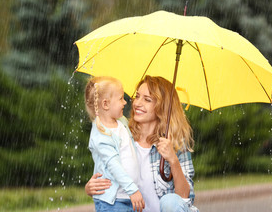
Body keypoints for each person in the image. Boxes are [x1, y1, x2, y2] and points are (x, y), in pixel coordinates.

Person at [85, 76, 199, 212]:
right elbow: (108, 166)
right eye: (137, 96)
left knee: (170, 201)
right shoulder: (122, 134)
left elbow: (185, 197)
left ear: (162, 106)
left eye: (147, 100)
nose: (137, 103)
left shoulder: (174, 143)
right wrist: (90, 188)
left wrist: (173, 159)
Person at [84, 76, 145, 212]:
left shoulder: (121, 121)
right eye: (121, 98)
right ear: (105, 104)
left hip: (127, 197)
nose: (125, 102)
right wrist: (132, 190)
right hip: (113, 201)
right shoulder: (101, 134)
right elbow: (114, 165)